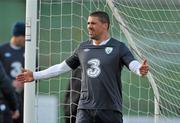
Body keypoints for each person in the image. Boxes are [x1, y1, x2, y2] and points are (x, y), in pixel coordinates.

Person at [16, 11, 149, 123]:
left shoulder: (118, 47)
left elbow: (132, 63)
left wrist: (139, 70)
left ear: (105, 25)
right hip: (85, 108)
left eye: (93, 23)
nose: (89, 26)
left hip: (110, 109)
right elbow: (61, 67)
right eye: (88, 23)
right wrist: (34, 75)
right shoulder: (82, 47)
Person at [0, 21, 25, 123]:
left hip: (22, 98)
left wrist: (24, 81)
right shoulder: (2, 50)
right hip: (5, 98)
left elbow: (36, 72)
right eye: (24, 36)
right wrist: (11, 82)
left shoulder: (28, 51)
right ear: (17, 35)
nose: (25, 39)